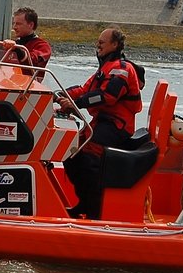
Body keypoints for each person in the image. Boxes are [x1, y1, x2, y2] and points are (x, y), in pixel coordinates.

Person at [57, 27, 144, 219]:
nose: (98, 45)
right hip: (101, 123)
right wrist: (59, 94)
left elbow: (108, 96)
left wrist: (75, 103)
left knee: (88, 158)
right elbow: (84, 89)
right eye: (98, 42)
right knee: (69, 154)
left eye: (102, 42)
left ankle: (96, 211)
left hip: (116, 126)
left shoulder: (122, 69)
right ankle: (85, 203)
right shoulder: (105, 68)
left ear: (115, 45)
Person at [0, 7, 52, 72]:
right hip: (10, 78)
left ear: (31, 25)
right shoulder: (16, 43)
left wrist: (16, 49)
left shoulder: (43, 46)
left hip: (29, 80)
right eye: (14, 23)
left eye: (18, 24)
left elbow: (33, 62)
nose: (14, 27)